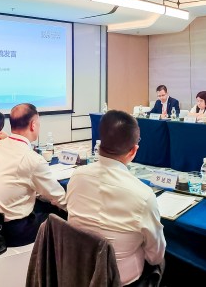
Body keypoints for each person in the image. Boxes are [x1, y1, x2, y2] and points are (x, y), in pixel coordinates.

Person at [67, 110, 166, 286]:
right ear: (133, 150)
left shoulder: (77, 176)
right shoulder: (143, 195)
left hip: (79, 270)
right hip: (121, 280)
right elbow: (155, 256)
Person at [0, 103, 67, 247]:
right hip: (12, 231)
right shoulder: (31, 159)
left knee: (42, 201)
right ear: (33, 125)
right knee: (61, 214)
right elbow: (58, 197)